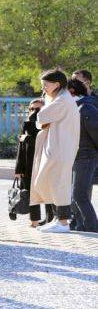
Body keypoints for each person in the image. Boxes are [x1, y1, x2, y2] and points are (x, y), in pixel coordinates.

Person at [31, 70, 80, 234]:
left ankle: (63, 222)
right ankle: (58, 220)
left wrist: (43, 106)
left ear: (57, 84)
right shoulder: (61, 98)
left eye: (46, 84)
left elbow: (42, 117)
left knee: (58, 184)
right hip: (59, 147)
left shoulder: (62, 100)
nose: (43, 88)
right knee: (52, 183)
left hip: (60, 148)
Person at [14, 98, 55, 227]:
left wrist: (28, 138)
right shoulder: (27, 124)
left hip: (43, 163)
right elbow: (21, 148)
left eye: (38, 109)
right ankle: (34, 221)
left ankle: (50, 219)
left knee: (47, 192)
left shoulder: (49, 124)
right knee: (31, 193)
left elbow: (44, 143)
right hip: (28, 164)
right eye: (31, 109)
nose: (34, 111)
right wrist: (18, 169)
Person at [67, 79, 98, 232]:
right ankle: (80, 226)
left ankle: (92, 227)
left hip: (86, 156)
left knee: (80, 195)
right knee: (75, 195)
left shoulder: (86, 108)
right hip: (76, 156)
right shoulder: (74, 107)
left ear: (71, 91)